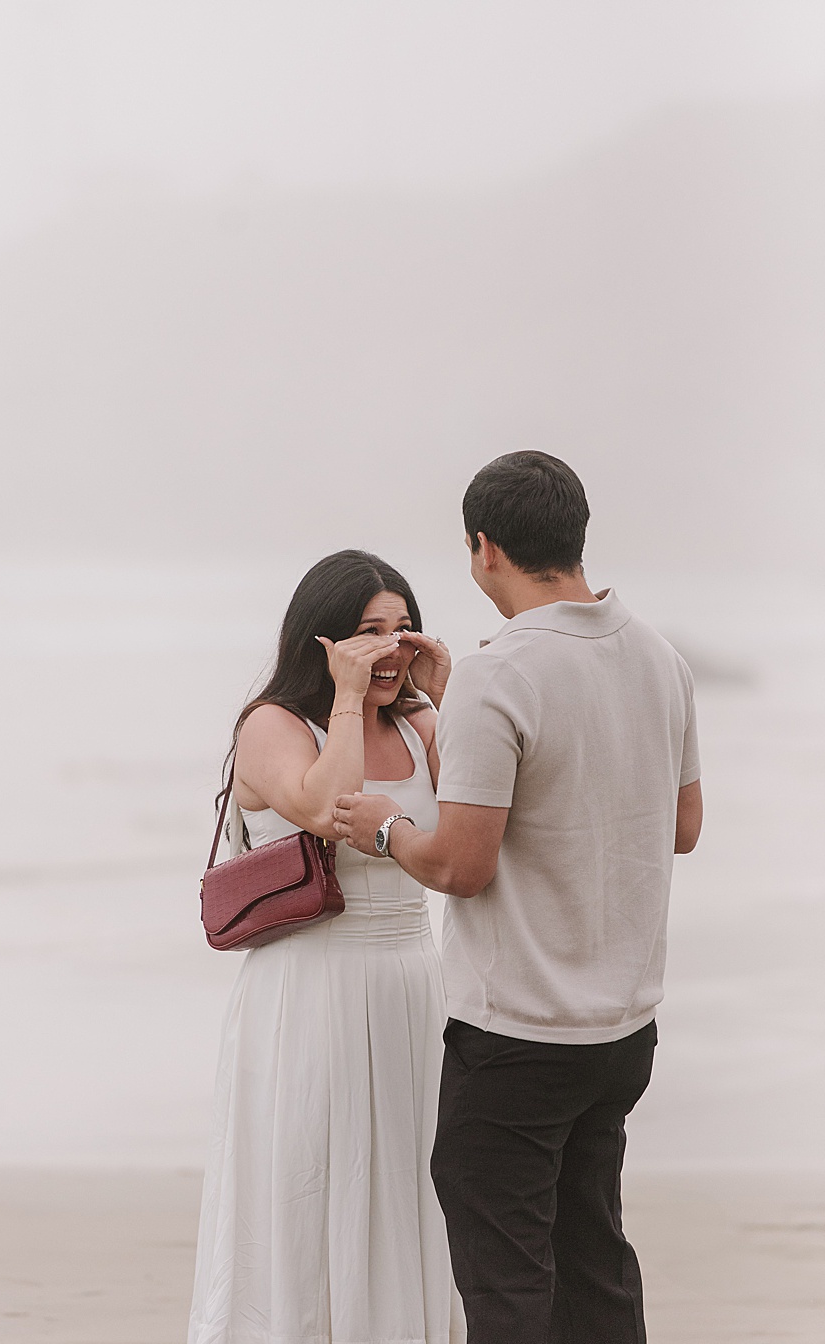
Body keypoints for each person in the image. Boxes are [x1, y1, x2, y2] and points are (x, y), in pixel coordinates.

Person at [334, 452, 702, 1343]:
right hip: (621, 1030)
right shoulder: (658, 656)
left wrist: (384, 825)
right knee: (594, 1266)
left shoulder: (506, 673)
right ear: (575, 538)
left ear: (484, 547)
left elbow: (462, 865)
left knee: (507, 1288)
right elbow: (682, 828)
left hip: (518, 1035)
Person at [189, 549, 464, 1344]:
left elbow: (469, 839)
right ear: (323, 643)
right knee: (309, 1176)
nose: (390, 648)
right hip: (307, 986)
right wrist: (347, 699)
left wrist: (452, 703)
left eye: (403, 628)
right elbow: (324, 807)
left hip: (411, 981)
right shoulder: (272, 725)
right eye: (368, 633)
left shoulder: (421, 724)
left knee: (406, 1181)